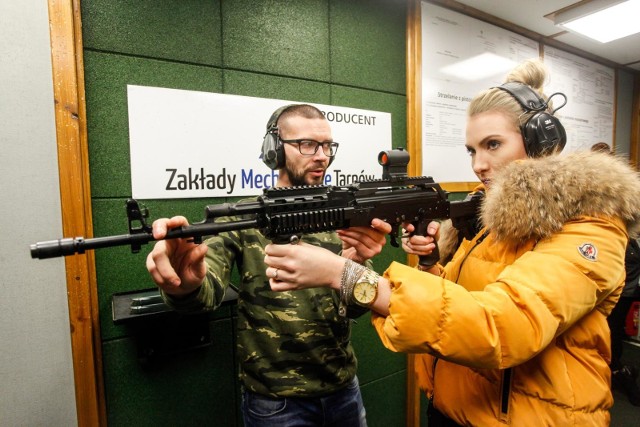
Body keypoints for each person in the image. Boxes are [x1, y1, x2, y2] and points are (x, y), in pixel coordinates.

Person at [263, 59, 640, 426]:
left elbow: (501, 327)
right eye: (472, 150)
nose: (478, 164)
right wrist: (430, 266)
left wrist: (346, 276)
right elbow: (459, 303)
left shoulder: (592, 226)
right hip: (451, 407)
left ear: (542, 141)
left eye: (493, 144)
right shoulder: (491, 217)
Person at [146, 104, 391, 427]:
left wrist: (355, 266)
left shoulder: (340, 215)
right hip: (275, 403)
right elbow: (206, 295)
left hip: (343, 389)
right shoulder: (244, 217)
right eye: (307, 145)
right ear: (274, 150)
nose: (322, 156)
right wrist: (185, 285)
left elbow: (360, 305)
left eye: (327, 146)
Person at [592, 142, 640, 406]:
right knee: (601, 332)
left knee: (614, 334)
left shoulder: (623, 194)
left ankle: (618, 373)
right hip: (605, 275)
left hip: (625, 273)